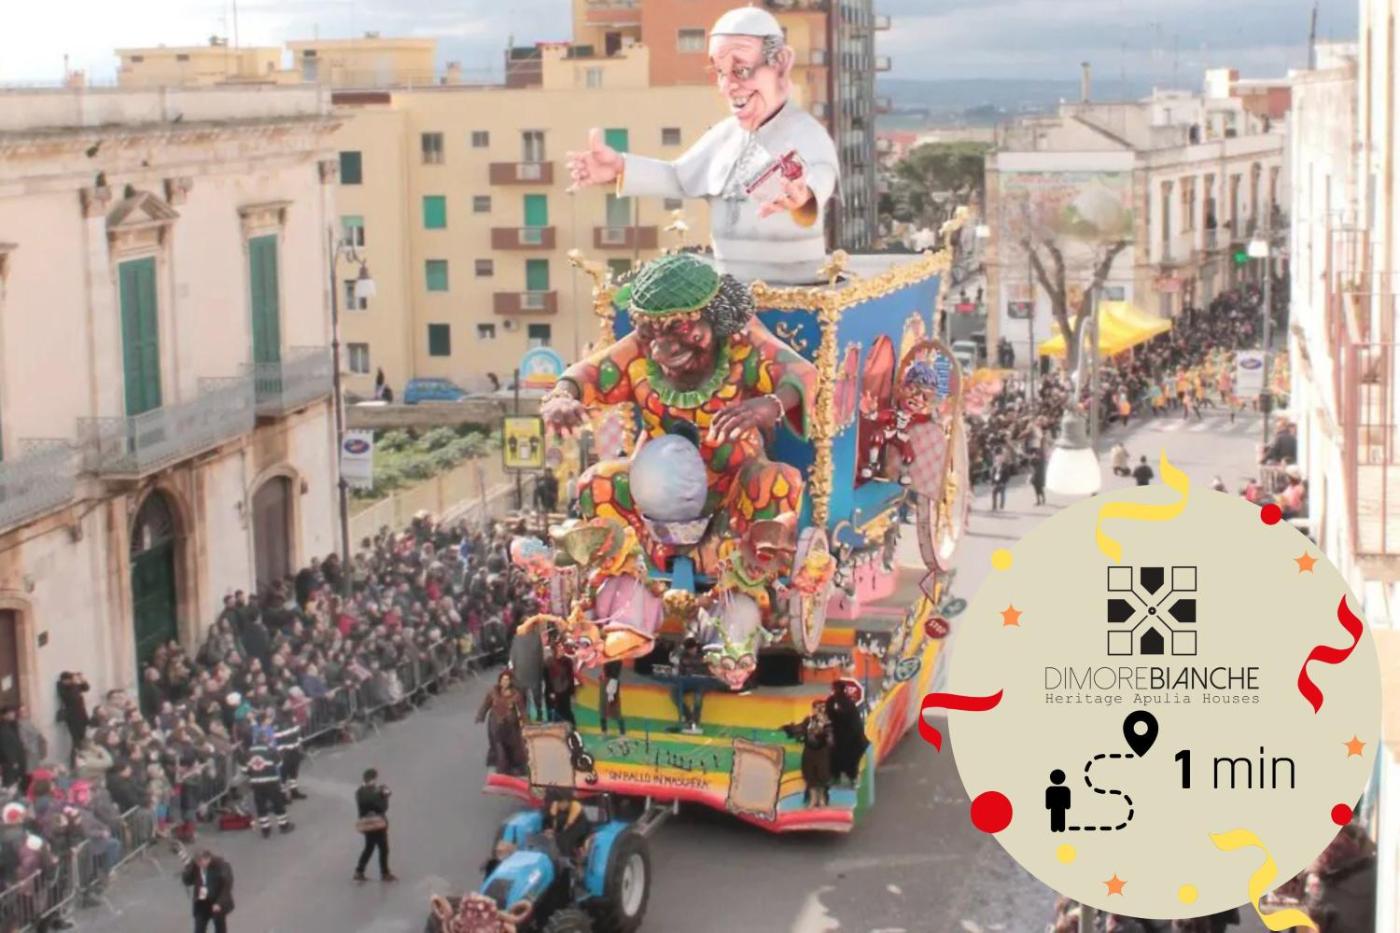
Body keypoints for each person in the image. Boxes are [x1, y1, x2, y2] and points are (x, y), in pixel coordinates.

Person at [565, 6, 839, 284]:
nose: (727, 86)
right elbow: (679, 177)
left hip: (798, 291)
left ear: (780, 63)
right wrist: (619, 167)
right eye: (720, 72)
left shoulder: (805, 131)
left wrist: (804, 196)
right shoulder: (724, 135)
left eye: (741, 70)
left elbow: (821, 174)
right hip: (730, 292)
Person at [476, 670, 529, 775]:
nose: (505, 682)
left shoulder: (516, 694)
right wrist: (480, 715)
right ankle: (502, 769)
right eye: (503, 680)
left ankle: (517, 768)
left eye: (507, 680)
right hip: (496, 725)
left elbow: (522, 710)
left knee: (515, 748)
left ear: (510, 681)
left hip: (511, 726)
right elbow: (485, 705)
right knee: (499, 749)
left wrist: (526, 722)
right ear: (500, 681)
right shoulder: (493, 692)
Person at [783, 700, 834, 807]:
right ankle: (813, 799)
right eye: (817, 707)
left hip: (823, 752)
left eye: (822, 707)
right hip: (809, 752)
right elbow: (799, 729)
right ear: (813, 709)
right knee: (810, 776)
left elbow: (832, 738)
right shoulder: (808, 720)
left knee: (823, 775)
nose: (820, 709)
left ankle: (822, 799)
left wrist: (824, 726)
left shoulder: (830, 722)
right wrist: (789, 729)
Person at [242, 735, 293, 839]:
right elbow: (279, 764)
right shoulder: (270, 750)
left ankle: (265, 830)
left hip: (256, 784)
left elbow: (244, 770)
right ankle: (284, 825)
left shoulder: (248, 752)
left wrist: (254, 773)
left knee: (261, 806)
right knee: (278, 804)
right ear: (266, 740)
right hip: (271, 782)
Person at [353, 768, 396, 882]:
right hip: (378, 824)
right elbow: (383, 807)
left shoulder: (359, 792)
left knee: (369, 848)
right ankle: (385, 873)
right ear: (373, 779)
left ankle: (359, 871)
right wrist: (384, 797)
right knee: (383, 849)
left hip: (366, 824)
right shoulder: (377, 791)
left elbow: (362, 807)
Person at [824, 680, 868, 787]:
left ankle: (845, 778)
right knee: (842, 758)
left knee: (843, 757)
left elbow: (833, 716)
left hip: (847, 736)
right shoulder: (846, 702)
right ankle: (843, 777)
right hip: (847, 736)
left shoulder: (839, 702)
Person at [181, 848, 235, 933]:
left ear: (208, 858)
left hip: (216, 901)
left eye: (201, 861)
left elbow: (227, 886)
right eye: (197, 862)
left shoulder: (222, 866)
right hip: (201, 901)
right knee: (199, 929)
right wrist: (188, 867)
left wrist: (219, 903)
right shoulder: (196, 866)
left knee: (220, 928)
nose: (199, 865)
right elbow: (187, 881)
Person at [669, 639, 710, 735]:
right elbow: (680, 671)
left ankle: (695, 721)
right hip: (687, 682)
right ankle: (688, 717)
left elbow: (710, 669)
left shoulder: (704, 654)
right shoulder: (683, 656)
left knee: (697, 698)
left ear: (696, 647)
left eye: (693, 649)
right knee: (674, 693)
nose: (692, 651)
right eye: (689, 650)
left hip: (701, 683)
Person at [56, 671, 90, 764]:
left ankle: (83, 761)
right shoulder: (63, 688)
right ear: (64, 680)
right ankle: (75, 763)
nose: (72, 681)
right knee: (76, 741)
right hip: (73, 718)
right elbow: (72, 697)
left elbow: (86, 688)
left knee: (82, 740)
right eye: (70, 679)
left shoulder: (73, 686)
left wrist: (82, 679)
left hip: (81, 716)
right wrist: (74, 683)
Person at [0, 708, 25, 791]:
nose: (13, 715)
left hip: (17, 761)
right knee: (11, 785)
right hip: (10, 763)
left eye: (13, 713)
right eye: (11, 713)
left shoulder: (12, 726)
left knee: (17, 784)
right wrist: (13, 761)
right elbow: (5, 746)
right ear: (4, 715)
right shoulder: (3, 728)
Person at [599, 660, 626, 736]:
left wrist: (612, 681)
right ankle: (604, 731)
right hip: (607, 681)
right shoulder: (609, 658)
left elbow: (615, 672)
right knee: (603, 708)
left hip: (612, 681)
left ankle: (622, 732)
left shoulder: (617, 659)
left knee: (614, 709)